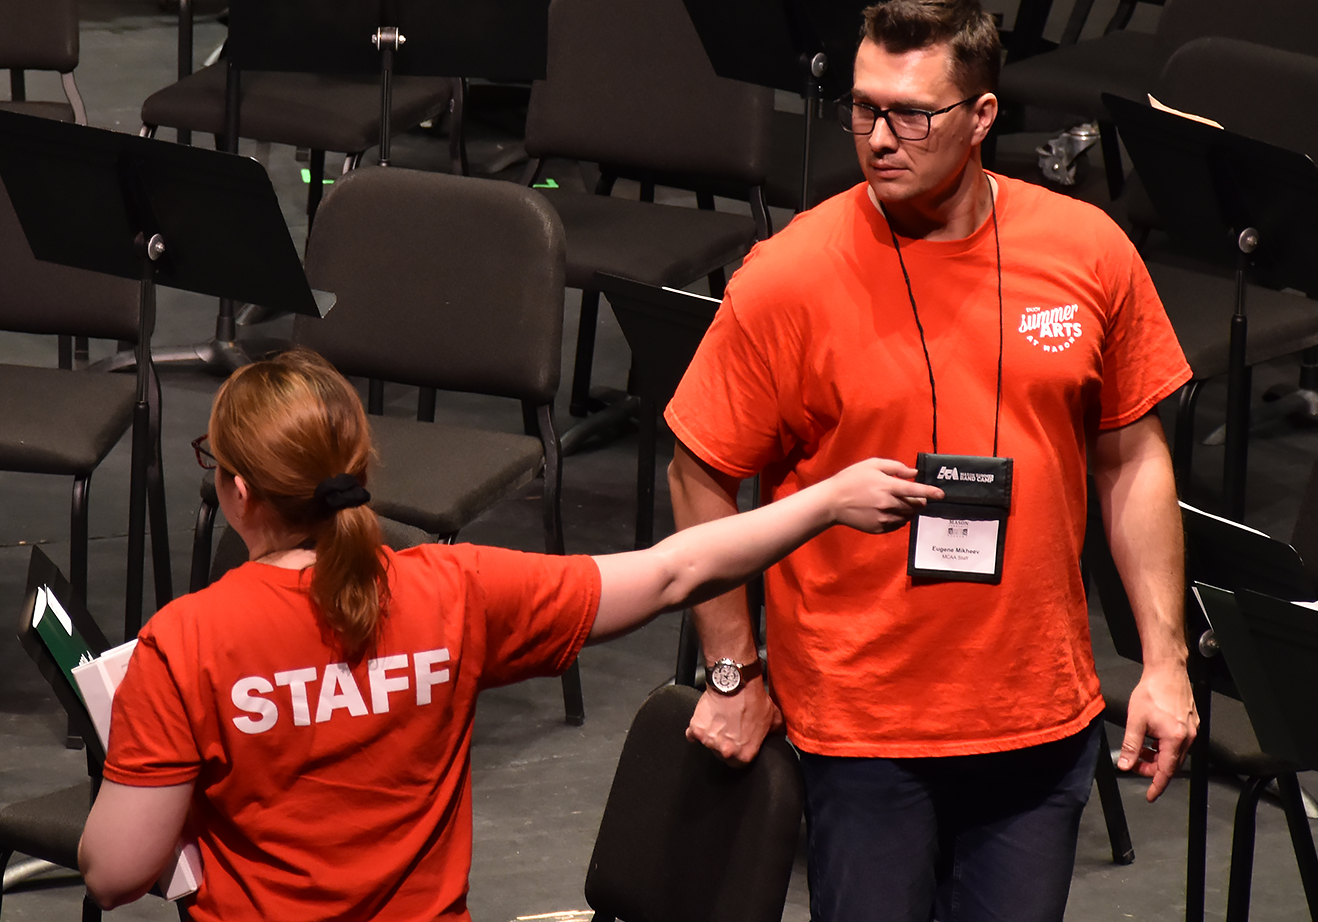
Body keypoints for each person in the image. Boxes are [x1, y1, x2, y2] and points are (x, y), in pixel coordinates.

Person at [664, 0, 1199, 922]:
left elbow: (1133, 457)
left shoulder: (1088, 250)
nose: (878, 139)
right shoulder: (790, 277)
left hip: (1035, 719)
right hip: (863, 728)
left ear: (982, 114)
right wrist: (731, 671)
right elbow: (700, 468)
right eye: (864, 109)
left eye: (911, 116)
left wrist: (1164, 662)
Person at [78, 347, 940, 920]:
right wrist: (824, 502)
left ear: (236, 491)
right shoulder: (455, 590)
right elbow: (675, 570)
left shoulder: (182, 644)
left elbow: (114, 872)